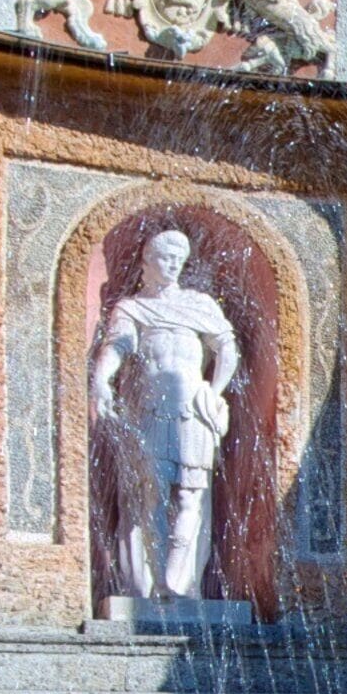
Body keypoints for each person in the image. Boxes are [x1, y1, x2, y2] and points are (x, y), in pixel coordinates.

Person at [88, 229, 241, 603]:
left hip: (192, 409)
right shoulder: (132, 308)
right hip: (150, 407)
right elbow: (119, 344)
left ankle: (181, 584)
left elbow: (226, 347)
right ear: (146, 261)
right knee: (147, 493)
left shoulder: (200, 304)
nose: (172, 265)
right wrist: (101, 378)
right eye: (164, 257)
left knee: (192, 495)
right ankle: (144, 587)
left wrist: (214, 390)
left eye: (178, 259)